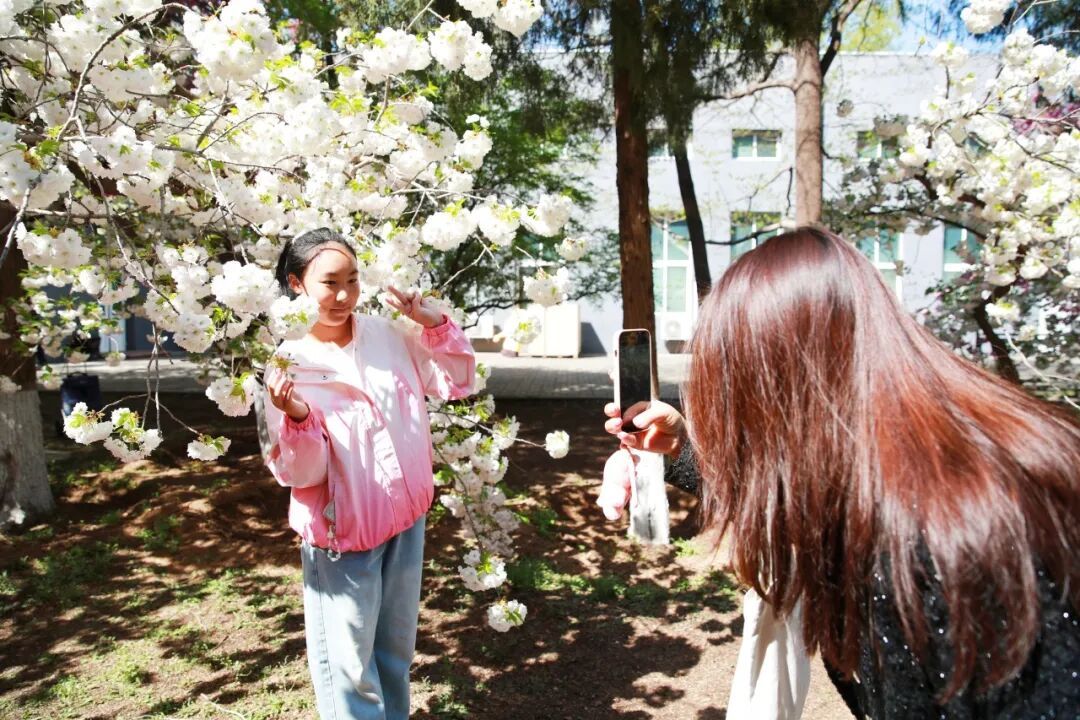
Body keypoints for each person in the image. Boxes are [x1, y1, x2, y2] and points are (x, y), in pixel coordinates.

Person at [604, 226, 1080, 718]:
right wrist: (681, 449)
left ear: (780, 395)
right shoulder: (891, 464)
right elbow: (796, 489)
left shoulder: (948, 540)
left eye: (732, 397)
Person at [263, 228, 476, 720]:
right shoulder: (287, 363)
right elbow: (300, 473)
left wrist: (434, 325)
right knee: (350, 671)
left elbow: (457, 382)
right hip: (344, 532)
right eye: (329, 282)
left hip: (406, 520)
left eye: (353, 281)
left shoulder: (388, 336)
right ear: (296, 284)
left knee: (395, 656)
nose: (343, 296)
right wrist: (297, 417)